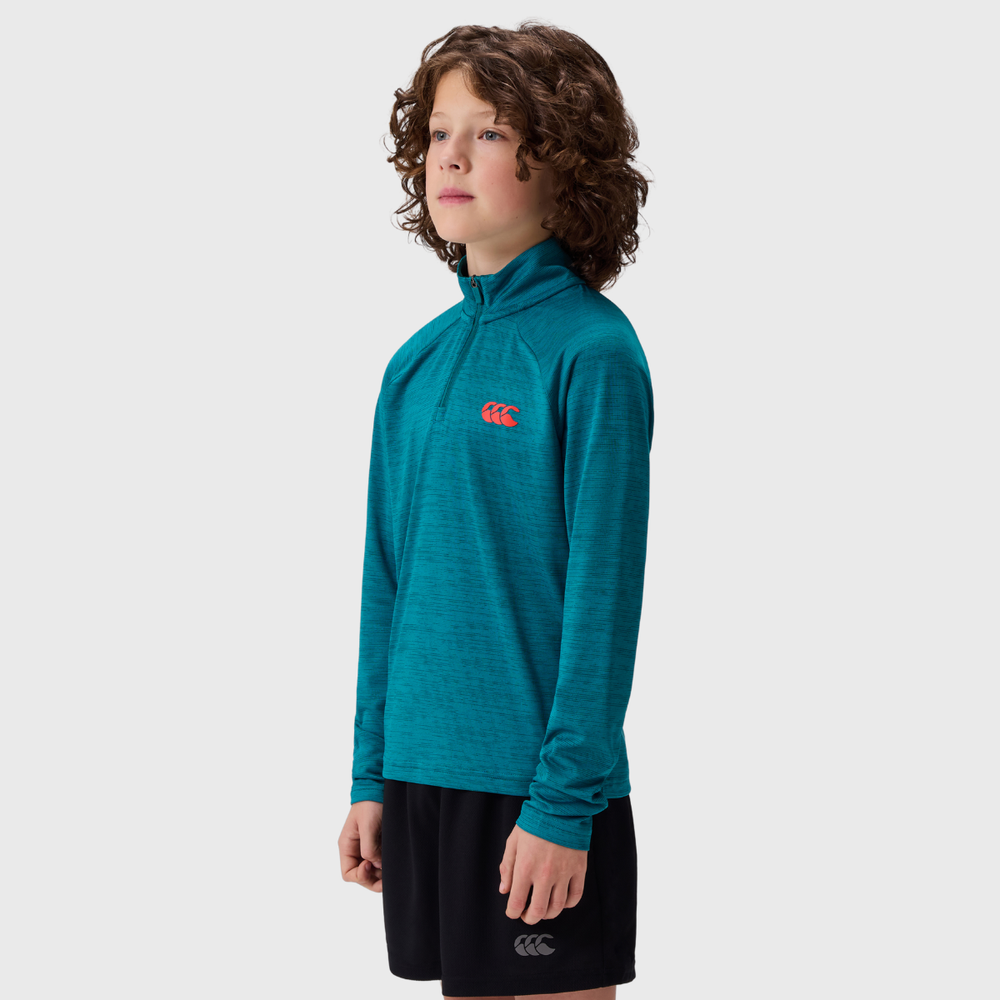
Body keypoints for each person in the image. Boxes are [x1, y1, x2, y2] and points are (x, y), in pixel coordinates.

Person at [339, 20, 653, 999]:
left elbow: (603, 600)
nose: (451, 156)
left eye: (490, 132)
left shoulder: (592, 354)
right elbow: (387, 582)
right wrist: (371, 774)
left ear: (563, 160)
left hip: (538, 788)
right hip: (422, 777)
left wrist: (562, 804)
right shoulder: (415, 364)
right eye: (439, 132)